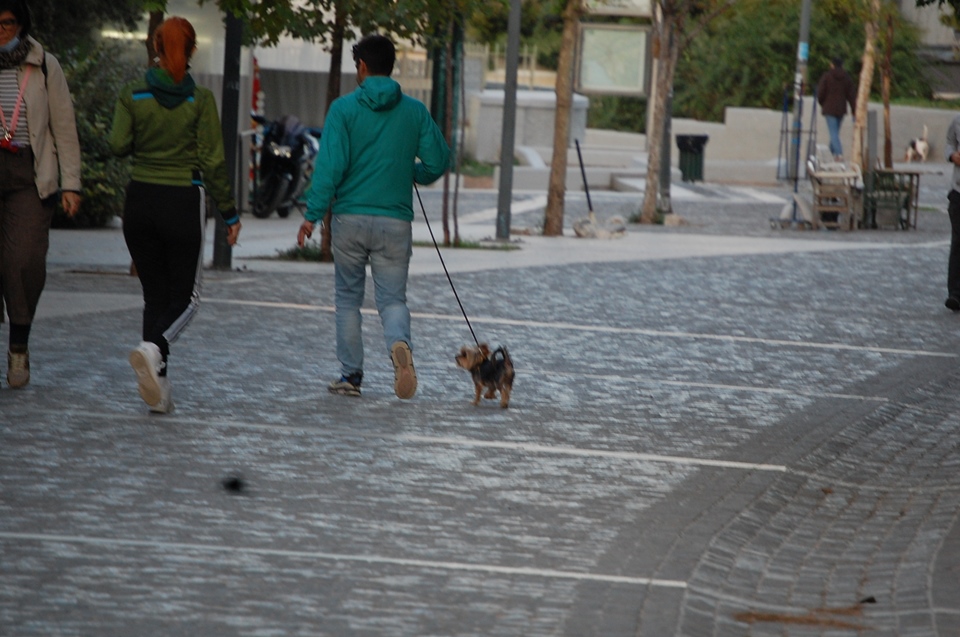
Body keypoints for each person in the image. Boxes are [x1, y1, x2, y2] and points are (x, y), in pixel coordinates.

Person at [297, 33, 449, 399]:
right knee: (393, 300)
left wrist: (313, 214)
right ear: (391, 65)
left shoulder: (343, 109)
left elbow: (330, 167)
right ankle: (399, 345)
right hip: (394, 222)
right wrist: (411, 173)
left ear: (362, 66)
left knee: (348, 299)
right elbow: (439, 160)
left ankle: (351, 377)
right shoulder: (414, 110)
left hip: (349, 219)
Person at [109, 16, 241, 413]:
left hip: (140, 201)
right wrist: (230, 215)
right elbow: (214, 161)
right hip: (183, 201)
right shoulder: (200, 101)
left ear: (155, 47)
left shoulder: (132, 95)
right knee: (187, 300)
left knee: (155, 296)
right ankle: (153, 350)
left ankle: (158, 389)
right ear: (193, 51)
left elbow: (116, 144)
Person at [0, 0, 81, 389]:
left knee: (25, 261)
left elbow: (64, 127)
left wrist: (71, 184)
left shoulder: (43, 64)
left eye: (8, 22)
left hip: (31, 176)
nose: (1, 29)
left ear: (22, 24)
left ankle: (19, 344)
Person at [817, 56, 856, 162]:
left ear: (832, 65)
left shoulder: (827, 76)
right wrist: (854, 110)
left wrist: (822, 103)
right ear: (842, 65)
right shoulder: (846, 77)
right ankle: (828, 155)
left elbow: (820, 93)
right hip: (841, 110)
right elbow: (852, 96)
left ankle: (839, 154)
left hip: (829, 109)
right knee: (835, 133)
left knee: (833, 133)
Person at [944, 115, 960, 311]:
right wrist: (951, 155)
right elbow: (949, 143)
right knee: (958, 241)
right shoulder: (956, 121)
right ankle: (955, 293)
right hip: (957, 192)